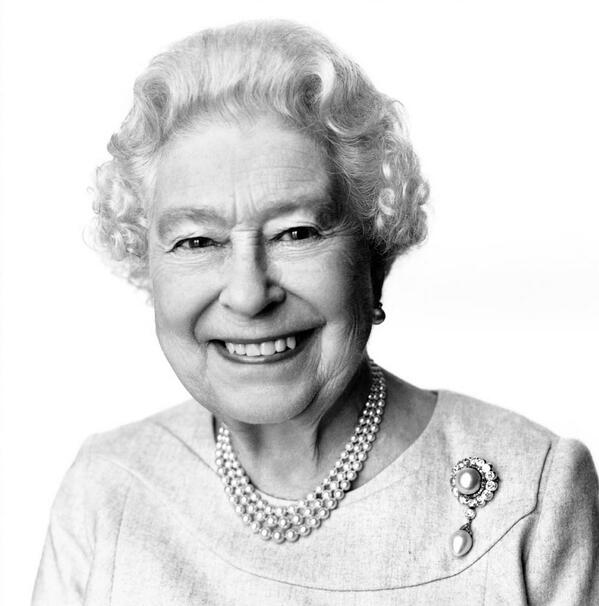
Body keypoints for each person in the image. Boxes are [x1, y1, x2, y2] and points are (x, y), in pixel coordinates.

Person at [32, 20, 598, 605]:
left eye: (296, 232)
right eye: (198, 242)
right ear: (146, 265)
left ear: (374, 254)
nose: (249, 295)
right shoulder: (107, 492)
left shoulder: (530, 493)